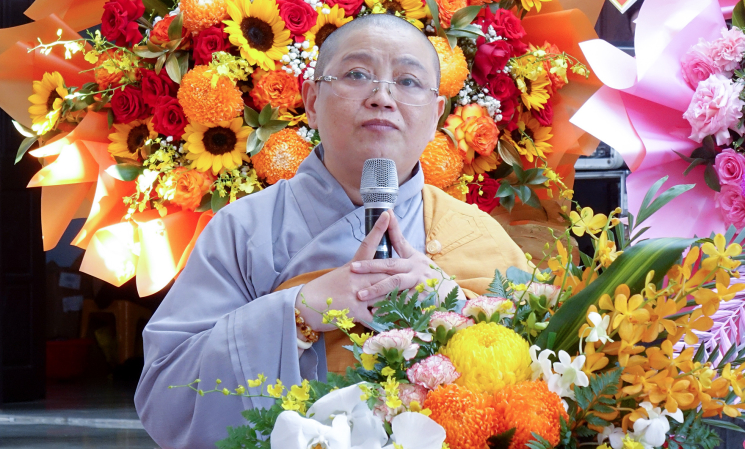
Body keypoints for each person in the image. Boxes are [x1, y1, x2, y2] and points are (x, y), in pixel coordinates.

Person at [135, 13, 528, 448]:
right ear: (311, 101)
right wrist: (299, 313)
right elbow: (167, 396)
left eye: (408, 81)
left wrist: (450, 308)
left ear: (436, 115)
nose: (382, 97)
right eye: (358, 74)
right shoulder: (243, 229)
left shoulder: (476, 237)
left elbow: (540, 391)